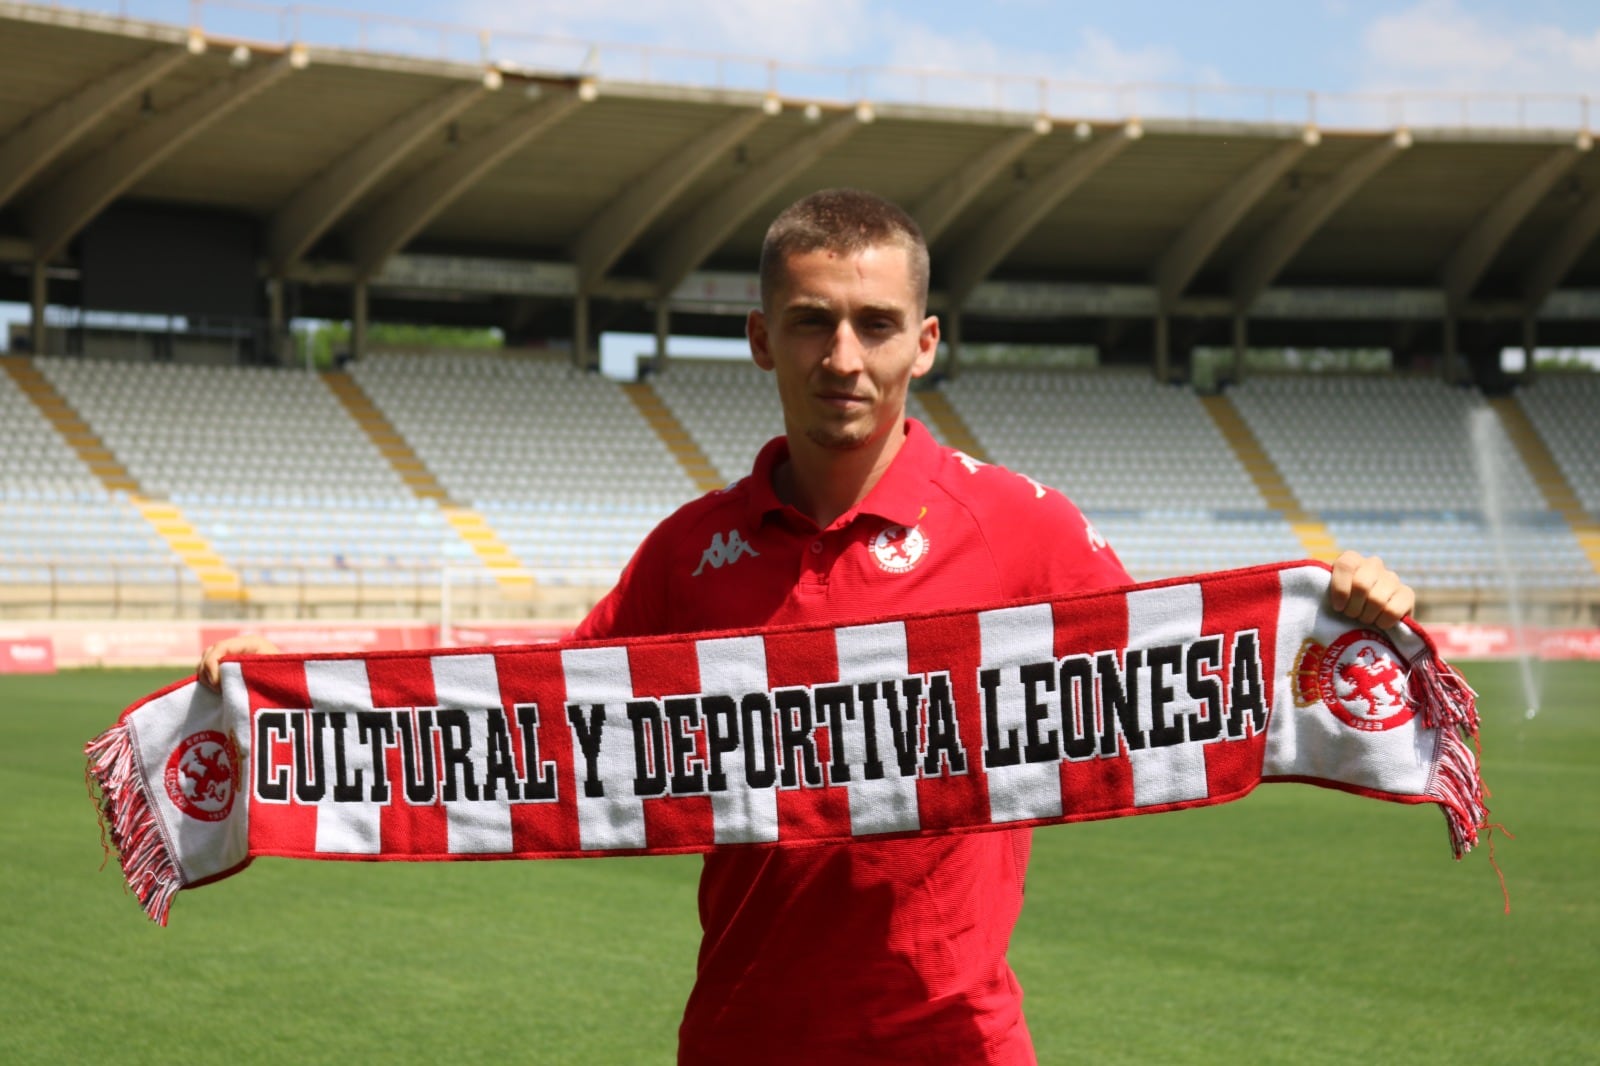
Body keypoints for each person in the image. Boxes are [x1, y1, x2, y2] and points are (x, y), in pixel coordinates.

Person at [201, 189, 1415, 1065]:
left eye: (876, 324)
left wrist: (1330, 606)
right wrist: (287, 710)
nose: (845, 355)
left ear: (924, 344)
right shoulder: (691, 551)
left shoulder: (1017, 522)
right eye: (811, 321)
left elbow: (1169, 664)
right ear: (759, 336)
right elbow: (523, 718)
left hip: (955, 1039)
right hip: (744, 1034)